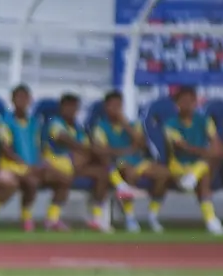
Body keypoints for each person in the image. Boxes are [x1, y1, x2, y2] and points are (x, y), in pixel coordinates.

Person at [91, 90, 169, 233]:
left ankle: (152, 215)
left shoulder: (133, 124)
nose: (116, 109)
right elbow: (101, 150)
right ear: (106, 107)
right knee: (129, 172)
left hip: (138, 161)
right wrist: (125, 151)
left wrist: (125, 124)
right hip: (119, 163)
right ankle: (130, 217)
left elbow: (141, 144)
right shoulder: (100, 127)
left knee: (163, 174)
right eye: (112, 106)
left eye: (118, 105)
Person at [42, 93, 109, 231]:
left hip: (75, 165)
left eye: (74, 107)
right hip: (55, 162)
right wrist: (90, 150)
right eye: (68, 107)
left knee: (102, 173)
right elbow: (66, 140)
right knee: (79, 161)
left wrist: (91, 151)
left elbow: (85, 149)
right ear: (61, 108)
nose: (72, 110)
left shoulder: (78, 128)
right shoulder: (55, 123)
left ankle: (96, 219)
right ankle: (52, 219)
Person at [163, 87, 223, 235]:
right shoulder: (170, 124)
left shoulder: (204, 120)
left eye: (190, 101)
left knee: (210, 163)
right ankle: (210, 219)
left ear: (196, 103)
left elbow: (216, 145)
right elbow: (184, 148)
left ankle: (194, 177)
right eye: (183, 101)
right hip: (179, 167)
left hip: (199, 166)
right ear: (176, 104)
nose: (187, 104)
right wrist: (208, 152)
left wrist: (212, 152)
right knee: (206, 170)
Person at [0, 84, 44, 232]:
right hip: (8, 166)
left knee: (33, 182)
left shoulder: (34, 122)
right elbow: (5, 147)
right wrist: (23, 163)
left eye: (25, 98)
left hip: (28, 166)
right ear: (12, 100)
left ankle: (27, 218)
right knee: (10, 183)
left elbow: (37, 146)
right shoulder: (5, 121)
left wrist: (37, 164)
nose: (22, 101)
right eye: (18, 98)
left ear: (30, 100)